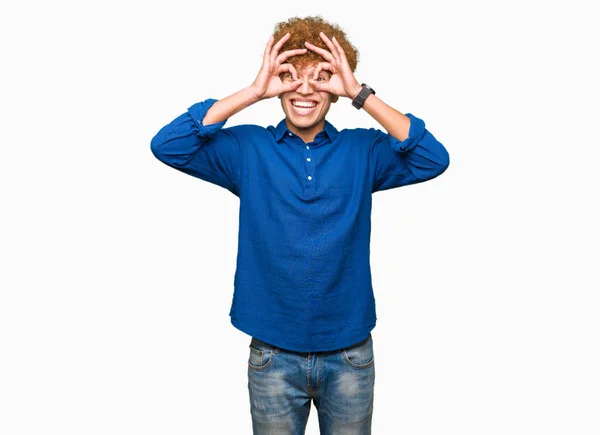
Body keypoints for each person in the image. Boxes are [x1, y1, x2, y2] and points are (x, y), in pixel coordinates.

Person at [151, 15, 449, 435]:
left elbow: (432, 158)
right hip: (273, 354)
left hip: (349, 354)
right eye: (292, 77)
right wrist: (253, 92)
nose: (306, 89)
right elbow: (169, 145)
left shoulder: (363, 150)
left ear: (337, 88)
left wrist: (360, 93)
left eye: (321, 77)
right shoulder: (248, 148)